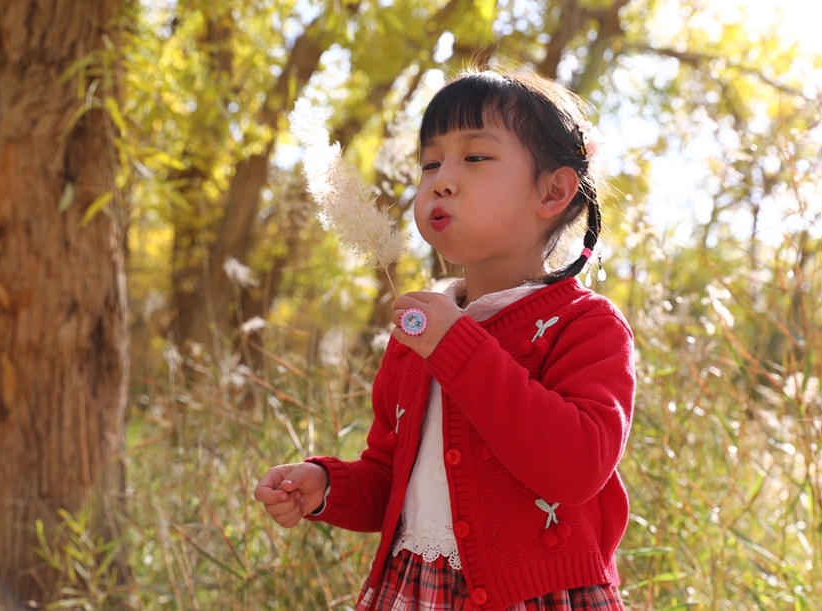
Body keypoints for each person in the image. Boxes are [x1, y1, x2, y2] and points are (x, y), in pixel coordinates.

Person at [255, 69, 635, 611]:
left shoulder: (585, 325)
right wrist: (326, 485)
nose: (442, 180)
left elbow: (577, 467)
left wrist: (457, 347)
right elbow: (392, 480)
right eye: (431, 163)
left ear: (552, 191)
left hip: (535, 595)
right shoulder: (420, 332)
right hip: (413, 590)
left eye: (474, 158)